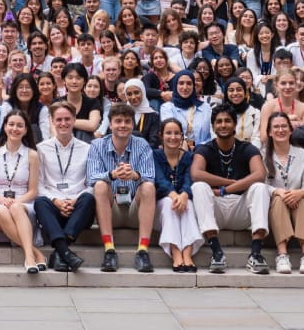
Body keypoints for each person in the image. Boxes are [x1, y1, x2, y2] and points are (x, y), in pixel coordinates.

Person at [190, 104, 272, 274]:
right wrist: (230, 182)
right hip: (216, 210)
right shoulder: (205, 149)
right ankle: (217, 253)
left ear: (235, 124)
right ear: (213, 126)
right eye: (218, 121)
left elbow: (259, 174)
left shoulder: (247, 148)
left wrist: (224, 190)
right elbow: (196, 174)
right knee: (198, 187)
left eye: (227, 121)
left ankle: (256, 255)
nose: (223, 125)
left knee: (259, 188)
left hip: (240, 210)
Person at [87, 102, 157, 273]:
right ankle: (109, 249)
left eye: (127, 121)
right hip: (112, 209)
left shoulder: (142, 144)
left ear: (133, 124)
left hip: (135, 208)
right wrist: (112, 175)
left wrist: (135, 175)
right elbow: (91, 177)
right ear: (110, 124)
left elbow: (151, 177)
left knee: (148, 187)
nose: (123, 125)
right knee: (100, 186)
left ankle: (142, 251)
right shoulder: (97, 145)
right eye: (118, 121)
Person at [0, 110, 49, 273]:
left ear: (25, 130)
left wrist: (16, 202)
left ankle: (29, 258)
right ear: (4, 127)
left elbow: (33, 190)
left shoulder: (32, 155)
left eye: (19, 125)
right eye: (11, 124)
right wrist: (3, 201)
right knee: (2, 211)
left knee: (15, 208)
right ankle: (34, 253)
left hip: (23, 203)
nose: (14, 129)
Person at [34, 102, 95, 272]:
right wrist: (56, 201)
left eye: (67, 119)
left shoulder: (88, 149)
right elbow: (39, 184)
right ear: (52, 121)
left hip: (79, 209)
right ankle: (64, 252)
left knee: (89, 197)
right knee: (40, 202)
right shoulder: (41, 149)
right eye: (59, 119)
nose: (63, 123)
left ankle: (60, 251)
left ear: (74, 119)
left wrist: (74, 200)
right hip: (53, 208)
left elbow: (91, 183)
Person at [262, 112, 304, 274]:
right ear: (270, 132)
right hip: (275, 206)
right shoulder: (262, 155)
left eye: (284, 126)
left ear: (291, 129)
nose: (280, 130)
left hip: (298, 203)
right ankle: (282, 254)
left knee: (302, 200)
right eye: (276, 127)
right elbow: (258, 185)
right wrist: (277, 191)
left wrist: (300, 193)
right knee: (279, 200)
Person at [153, 117, 200, 272]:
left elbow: (190, 178)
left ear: (182, 136)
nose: (173, 137)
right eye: (168, 133)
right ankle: (175, 252)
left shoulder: (189, 157)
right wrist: (174, 195)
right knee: (168, 203)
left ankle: (187, 252)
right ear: (161, 135)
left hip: (183, 202)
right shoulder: (155, 156)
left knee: (189, 204)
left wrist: (185, 194)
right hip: (161, 206)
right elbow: (159, 180)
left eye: (177, 133)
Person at [158, 71, 211, 149]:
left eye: (189, 83)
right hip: (177, 151)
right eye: (181, 83)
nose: (185, 87)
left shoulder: (205, 108)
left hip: (204, 152)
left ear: (193, 86)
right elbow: (171, 132)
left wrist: (199, 148)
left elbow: (212, 135)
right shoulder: (167, 108)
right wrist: (188, 147)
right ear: (175, 85)